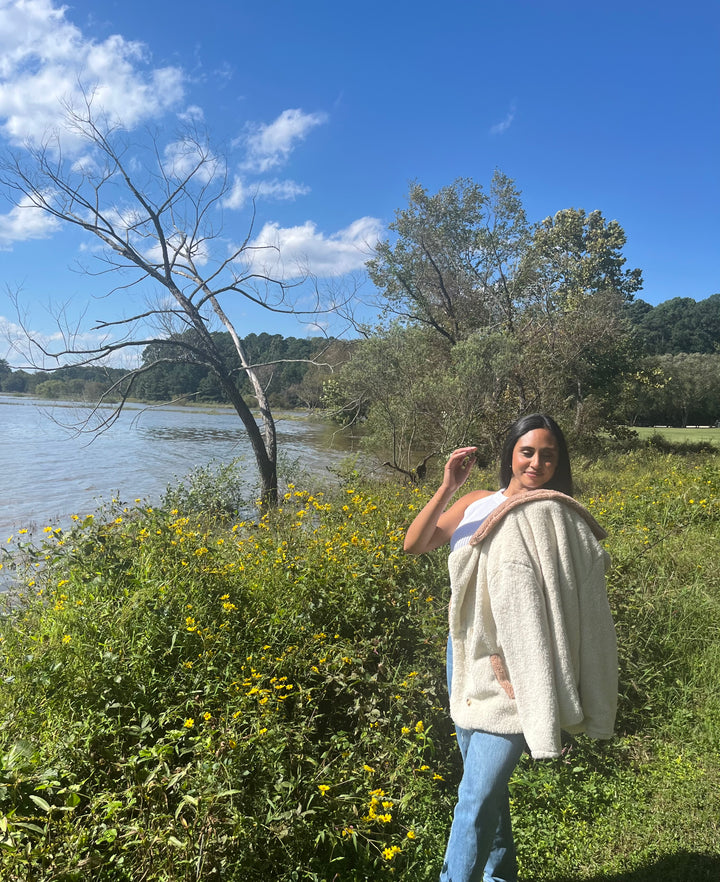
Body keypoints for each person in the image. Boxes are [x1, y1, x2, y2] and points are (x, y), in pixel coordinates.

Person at [404, 414, 617, 882]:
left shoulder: (554, 514)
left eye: (548, 454)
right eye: (527, 451)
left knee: (475, 797)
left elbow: (569, 605)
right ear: (510, 454)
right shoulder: (478, 502)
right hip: (464, 658)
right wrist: (446, 486)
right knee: (487, 793)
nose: (537, 462)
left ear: (558, 462)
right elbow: (415, 544)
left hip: (519, 666)